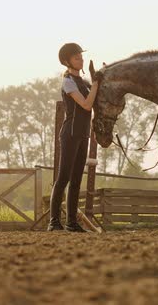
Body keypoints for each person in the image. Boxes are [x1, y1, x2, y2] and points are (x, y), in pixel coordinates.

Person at [48, 43, 99, 232]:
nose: (81, 59)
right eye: (77, 57)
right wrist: (95, 84)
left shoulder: (85, 83)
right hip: (70, 134)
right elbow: (86, 105)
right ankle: (54, 221)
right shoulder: (68, 81)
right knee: (63, 178)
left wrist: (98, 81)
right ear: (67, 61)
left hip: (83, 133)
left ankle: (71, 222)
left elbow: (95, 100)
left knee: (77, 179)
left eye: (81, 57)